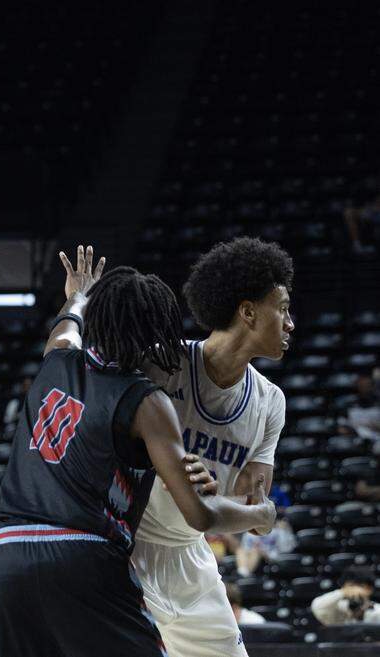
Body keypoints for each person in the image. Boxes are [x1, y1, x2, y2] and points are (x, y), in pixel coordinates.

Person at [0, 246, 276, 657]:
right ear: (157, 335)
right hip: (81, 554)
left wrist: (80, 293)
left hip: (3, 555)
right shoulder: (147, 402)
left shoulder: (57, 358)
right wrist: (261, 514)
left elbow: (67, 323)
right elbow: (200, 514)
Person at [128, 237, 294, 657]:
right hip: (124, 546)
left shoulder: (270, 402)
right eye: (284, 308)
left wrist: (251, 509)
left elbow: (253, 516)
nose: (291, 323)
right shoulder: (162, 366)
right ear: (248, 311)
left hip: (191, 556)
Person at [311, 566, 380, 625]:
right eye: (351, 586)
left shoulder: (376, 610)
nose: (355, 591)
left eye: (361, 587)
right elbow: (317, 606)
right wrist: (342, 592)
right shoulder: (336, 607)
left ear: (369, 590)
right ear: (343, 586)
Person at [338, 374, 380, 440]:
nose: (365, 388)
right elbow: (341, 428)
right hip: (354, 439)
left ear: (373, 386)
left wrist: (373, 426)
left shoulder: (378, 403)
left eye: (368, 385)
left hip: (376, 439)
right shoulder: (349, 404)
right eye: (362, 386)